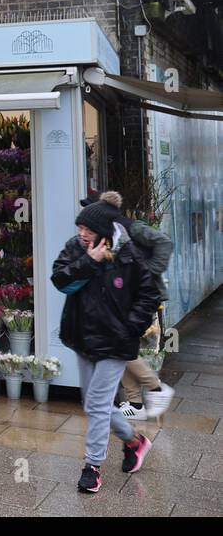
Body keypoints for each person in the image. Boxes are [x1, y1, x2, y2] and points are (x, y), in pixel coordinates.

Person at [51, 201, 159, 494]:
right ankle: (135, 441)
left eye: (87, 229)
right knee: (93, 404)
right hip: (84, 339)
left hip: (115, 343)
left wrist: (130, 328)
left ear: (103, 231)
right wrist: (89, 261)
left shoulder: (129, 254)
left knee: (97, 404)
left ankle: (92, 468)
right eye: (80, 227)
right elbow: (59, 279)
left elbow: (150, 294)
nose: (81, 233)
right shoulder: (75, 248)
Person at [85, 191, 176, 420]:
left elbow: (164, 242)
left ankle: (156, 387)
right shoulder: (107, 233)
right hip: (124, 297)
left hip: (141, 296)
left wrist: (147, 271)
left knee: (120, 345)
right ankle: (135, 403)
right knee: (124, 347)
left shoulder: (130, 227)